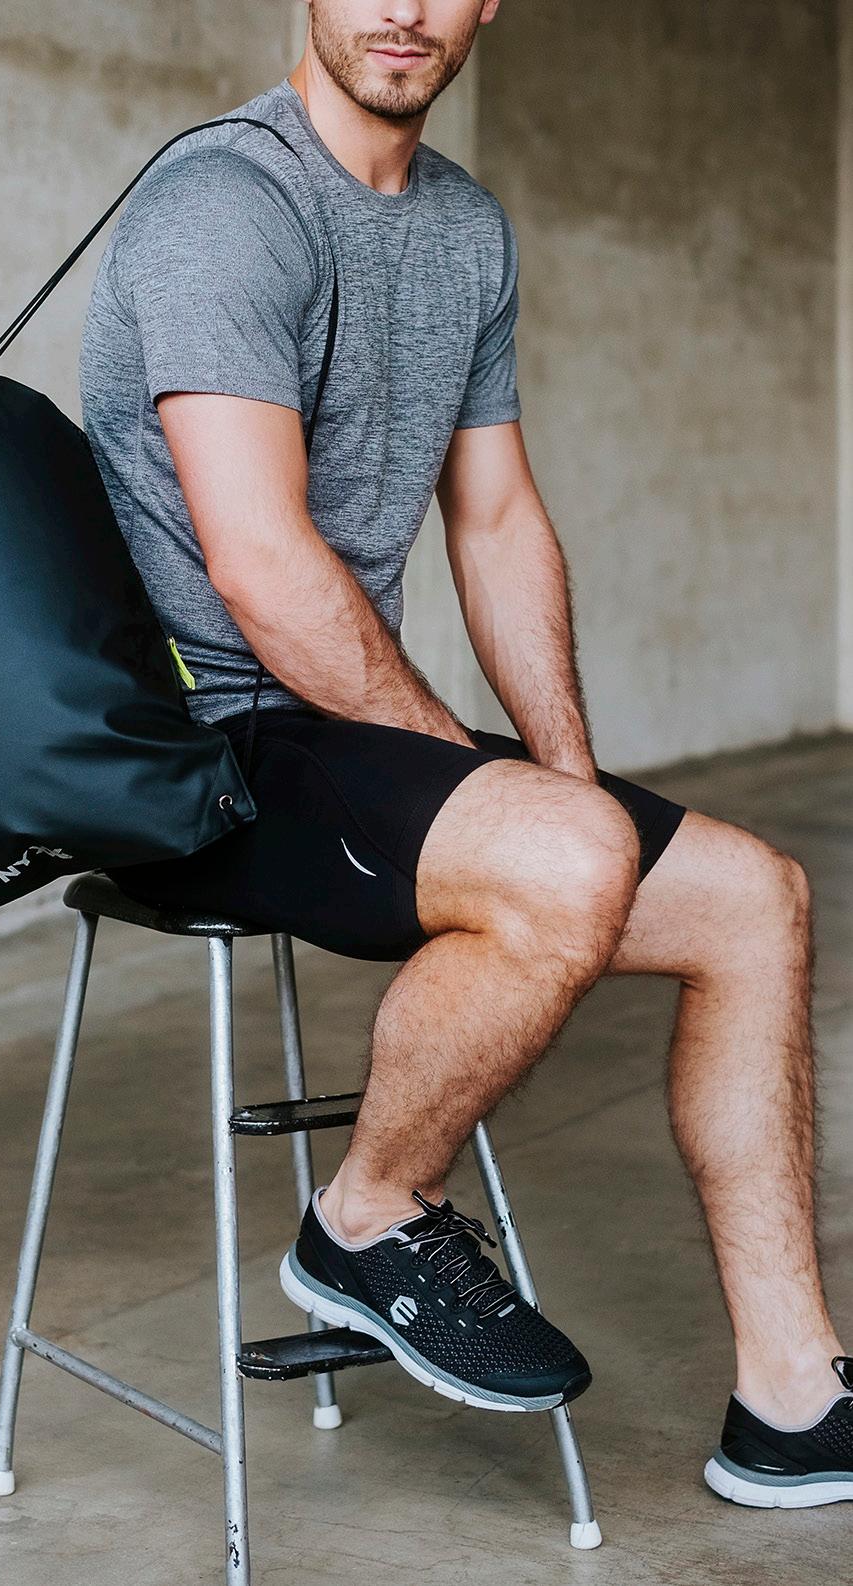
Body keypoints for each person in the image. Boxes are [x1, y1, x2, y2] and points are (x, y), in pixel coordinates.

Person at [79, 0, 851, 1507]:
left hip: (339, 728)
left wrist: (563, 774)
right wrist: (484, 783)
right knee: (561, 855)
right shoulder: (225, 204)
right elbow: (259, 564)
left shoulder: (464, 232)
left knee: (753, 899)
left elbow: (493, 520)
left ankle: (791, 1395)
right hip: (198, 748)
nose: (403, 10)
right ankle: (366, 1216)